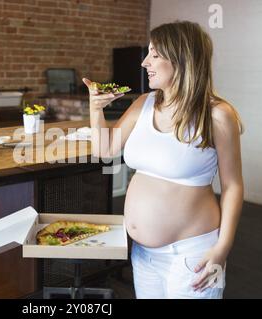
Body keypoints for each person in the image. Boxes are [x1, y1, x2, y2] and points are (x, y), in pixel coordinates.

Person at [83, 20, 244, 299]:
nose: (145, 62)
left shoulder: (217, 114)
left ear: (182, 58)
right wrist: (95, 109)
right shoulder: (143, 104)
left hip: (193, 256)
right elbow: (105, 150)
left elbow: (233, 186)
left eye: (155, 54)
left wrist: (222, 249)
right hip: (143, 255)